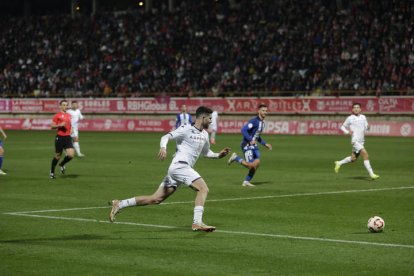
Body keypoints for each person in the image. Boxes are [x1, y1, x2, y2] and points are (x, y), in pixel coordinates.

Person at [109, 106, 231, 232]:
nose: (211, 121)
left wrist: (218, 155)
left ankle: (120, 204)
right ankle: (197, 223)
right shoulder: (186, 129)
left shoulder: (205, 135)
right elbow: (165, 137)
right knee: (203, 189)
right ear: (203, 117)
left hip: (178, 171)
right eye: (210, 118)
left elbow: (206, 152)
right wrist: (163, 148)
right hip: (180, 166)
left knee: (156, 199)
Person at [227, 103, 272, 187]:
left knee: (256, 164)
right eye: (263, 110)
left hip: (254, 146)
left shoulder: (263, 123)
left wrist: (265, 144)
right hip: (246, 145)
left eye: (266, 111)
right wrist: (251, 140)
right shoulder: (254, 121)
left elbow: (257, 136)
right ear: (259, 111)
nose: (265, 112)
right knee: (250, 166)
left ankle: (246, 182)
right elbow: (243, 130)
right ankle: (236, 157)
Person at [334, 103, 379, 180]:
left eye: (358, 107)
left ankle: (339, 163)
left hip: (361, 141)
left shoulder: (363, 117)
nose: (356, 109)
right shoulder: (350, 118)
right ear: (352, 109)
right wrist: (347, 132)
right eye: (354, 108)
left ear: (360, 109)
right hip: (355, 141)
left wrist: (368, 127)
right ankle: (372, 174)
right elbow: (342, 127)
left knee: (353, 159)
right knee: (366, 155)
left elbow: (367, 127)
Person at [50, 100, 75, 179]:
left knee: (71, 155)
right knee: (57, 156)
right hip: (60, 138)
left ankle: (62, 164)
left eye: (66, 105)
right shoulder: (57, 115)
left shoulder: (69, 115)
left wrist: (72, 129)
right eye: (63, 105)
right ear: (60, 106)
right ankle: (52, 172)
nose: (65, 106)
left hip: (67, 137)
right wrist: (60, 125)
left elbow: (70, 124)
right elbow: (52, 126)